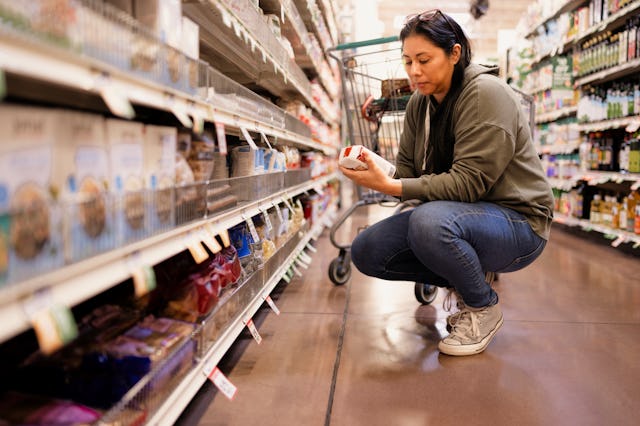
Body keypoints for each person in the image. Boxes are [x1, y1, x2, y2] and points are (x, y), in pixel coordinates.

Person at [339, 9, 554, 357]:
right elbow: (408, 174)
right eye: (407, 61)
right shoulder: (418, 106)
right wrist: (377, 170)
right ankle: (465, 278)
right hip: (462, 217)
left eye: (424, 59)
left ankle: (482, 307)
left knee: (429, 222)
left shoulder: (485, 93)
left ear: (454, 54)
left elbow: (468, 185)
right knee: (367, 250)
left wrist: (392, 188)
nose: (414, 71)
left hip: (519, 223)